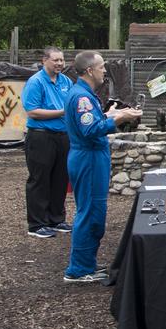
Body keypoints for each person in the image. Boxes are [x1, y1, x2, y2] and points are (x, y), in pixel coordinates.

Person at [62, 51, 141, 283]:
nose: (104, 70)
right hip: (88, 158)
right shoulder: (82, 98)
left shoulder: (85, 94)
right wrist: (118, 119)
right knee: (90, 213)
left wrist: (113, 113)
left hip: (91, 157)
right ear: (89, 71)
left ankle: (87, 263)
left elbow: (92, 120)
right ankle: (78, 270)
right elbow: (90, 129)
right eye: (101, 66)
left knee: (94, 211)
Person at [22, 47, 72, 239]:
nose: (59, 64)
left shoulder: (66, 81)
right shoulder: (36, 82)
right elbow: (33, 111)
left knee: (60, 178)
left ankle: (56, 219)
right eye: (55, 60)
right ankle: (36, 224)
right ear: (45, 61)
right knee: (39, 179)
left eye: (62, 60)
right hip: (41, 136)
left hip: (62, 136)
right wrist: (61, 112)